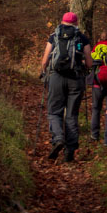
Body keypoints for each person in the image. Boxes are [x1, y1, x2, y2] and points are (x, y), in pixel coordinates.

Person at [40, 11, 93, 163]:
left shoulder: (54, 35)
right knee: (71, 115)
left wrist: (45, 73)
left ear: (62, 22)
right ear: (76, 23)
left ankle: (57, 139)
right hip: (75, 80)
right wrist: (84, 67)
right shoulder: (82, 38)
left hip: (56, 78)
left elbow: (45, 61)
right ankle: (69, 151)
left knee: (54, 112)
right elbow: (89, 63)